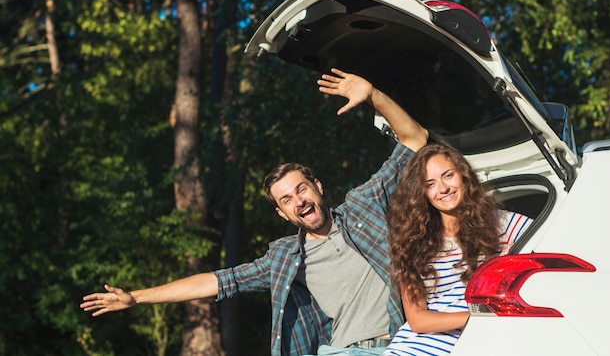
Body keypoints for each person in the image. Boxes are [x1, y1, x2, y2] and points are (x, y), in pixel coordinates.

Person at [81, 68, 430, 356]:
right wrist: (138, 297)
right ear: (282, 214)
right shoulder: (283, 257)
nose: (299, 201)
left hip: (400, 346)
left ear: (318, 188)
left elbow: (415, 140)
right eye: (287, 200)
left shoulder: (363, 206)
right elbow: (218, 282)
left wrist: (372, 94)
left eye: (302, 189)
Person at [382, 143, 533, 356]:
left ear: (463, 174)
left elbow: (553, 237)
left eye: (448, 175)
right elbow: (417, 320)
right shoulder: (413, 243)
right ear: (421, 193)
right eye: (430, 184)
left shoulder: (501, 224)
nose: (443, 188)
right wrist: (480, 316)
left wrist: (509, 264)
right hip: (408, 349)